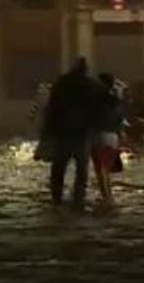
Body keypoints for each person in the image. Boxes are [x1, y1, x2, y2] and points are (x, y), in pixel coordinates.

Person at [41, 58, 98, 207]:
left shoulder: (62, 83)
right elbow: (96, 109)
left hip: (63, 131)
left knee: (59, 166)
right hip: (82, 132)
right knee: (81, 168)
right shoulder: (91, 85)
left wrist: (47, 131)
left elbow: (52, 108)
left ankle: (56, 197)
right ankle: (78, 197)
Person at [90, 73, 125, 207]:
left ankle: (107, 198)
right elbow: (120, 120)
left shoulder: (97, 100)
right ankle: (108, 196)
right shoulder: (116, 101)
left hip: (100, 136)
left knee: (101, 169)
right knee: (105, 169)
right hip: (113, 138)